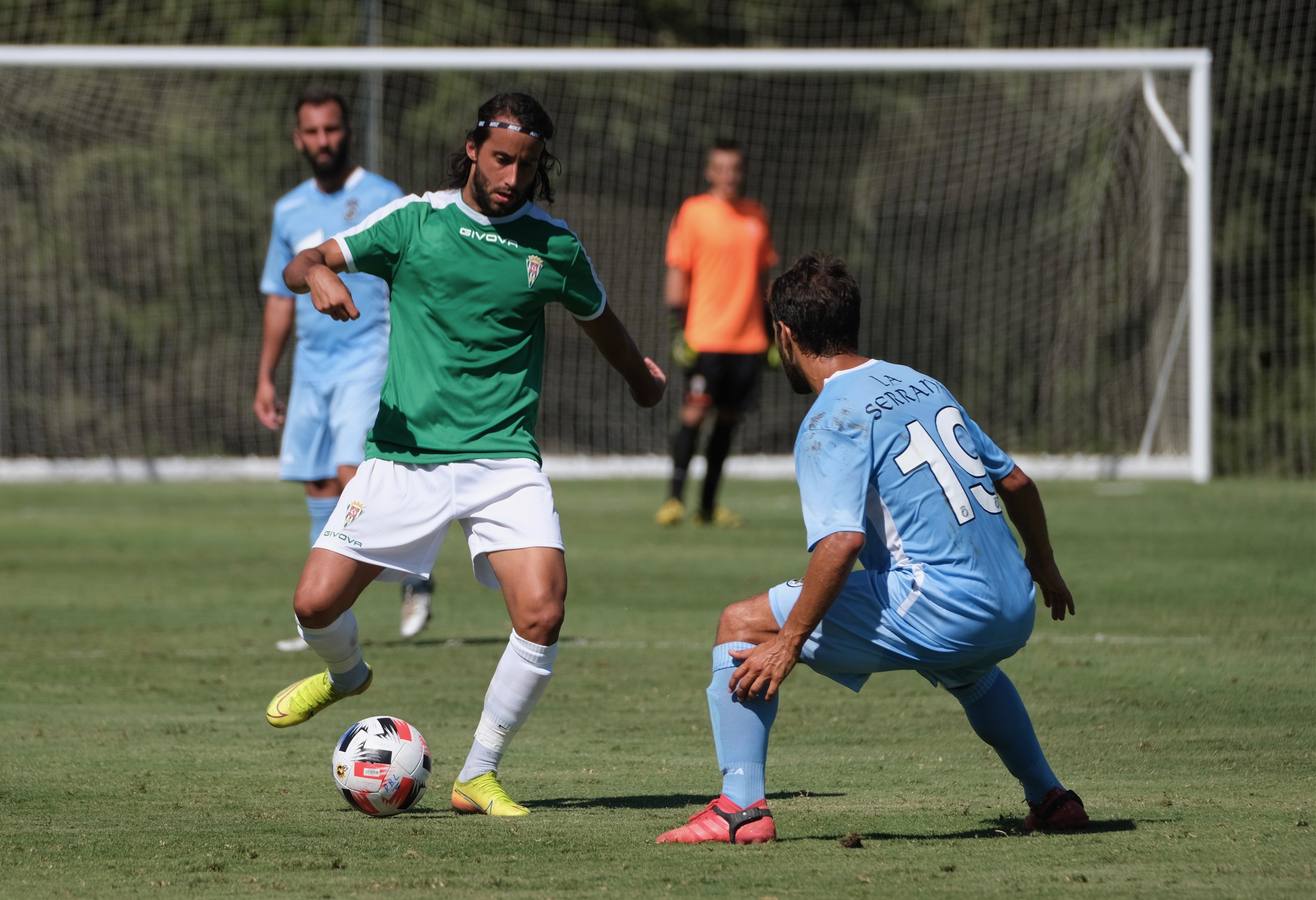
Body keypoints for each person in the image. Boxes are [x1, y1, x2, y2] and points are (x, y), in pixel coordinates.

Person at [263, 93, 667, 819]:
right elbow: (305, 262)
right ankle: (346, 674)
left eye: (528, 164)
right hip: (403, 456)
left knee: (542, 611)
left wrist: (641, 378)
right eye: (502, 159)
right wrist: (320, 275)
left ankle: (477, 774)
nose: (512, 176)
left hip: (503, 461)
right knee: (313, 605)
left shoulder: (554, 245)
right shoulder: (416, 221)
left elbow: (600, 319)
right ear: (475, 149)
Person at [657, 253, 1088, 845]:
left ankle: (739, 809)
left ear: (784, 335)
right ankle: (1051, 798)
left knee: (742, 624)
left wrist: (789, 642)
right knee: (966, 668)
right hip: (1013, 602)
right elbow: (1016, 482)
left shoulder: (832, 416)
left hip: (938, 602)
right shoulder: (920, 382)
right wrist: (1044, 566)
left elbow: (841, 543)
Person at [256, 87, 433, 652]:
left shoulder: (383, 197)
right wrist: (266, 374)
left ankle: (413, 575)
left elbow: (413, 276)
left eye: (331, 130)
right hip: (312, 366)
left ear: (346, 131)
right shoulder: (289, 209)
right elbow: (279, 297)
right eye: (312, 132)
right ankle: (321, 622)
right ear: (297, 138)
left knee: (352, 478)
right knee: (315, 481)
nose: (322, 141)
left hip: (368, 355)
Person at [655, 139, 778, 528]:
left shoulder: (755, 215)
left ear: (742, 172)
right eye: (720, 168)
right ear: (710, 171)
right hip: (705, 337)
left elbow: (764, 279)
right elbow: (678, 272)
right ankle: (674, 499)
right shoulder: (694, 212)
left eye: (735, 168)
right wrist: (679, 327)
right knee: (693, 414)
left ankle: (707, 507)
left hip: (749, 340)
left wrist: (774, 332)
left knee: (728, 421)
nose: (728, 175)